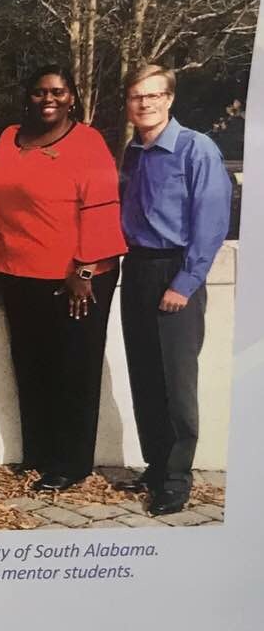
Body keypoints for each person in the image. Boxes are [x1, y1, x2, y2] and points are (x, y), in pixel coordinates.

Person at [0, 64, 128, 491]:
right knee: (31, 366)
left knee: (73, 370)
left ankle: (72, 463)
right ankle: (40, 453)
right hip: (16, 271)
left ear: (72, 98)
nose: (49, 99)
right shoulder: (9, 136)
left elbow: (101, 206)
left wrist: (84, 270)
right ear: (27, 96)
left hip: (75, 277)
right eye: (40, 92)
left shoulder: (88, 141)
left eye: (58, 92)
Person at [113, 64, 232, 515]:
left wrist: (185, 282)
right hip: (138, 269)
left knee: (176, 380)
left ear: (169, 99)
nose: (144, 103)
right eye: (135, 97)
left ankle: (178, 478)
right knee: (145, 374)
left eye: (153, 95)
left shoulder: (195, 149)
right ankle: (157, 466)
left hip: (176, 271)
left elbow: (212, 224)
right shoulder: (134, 152)